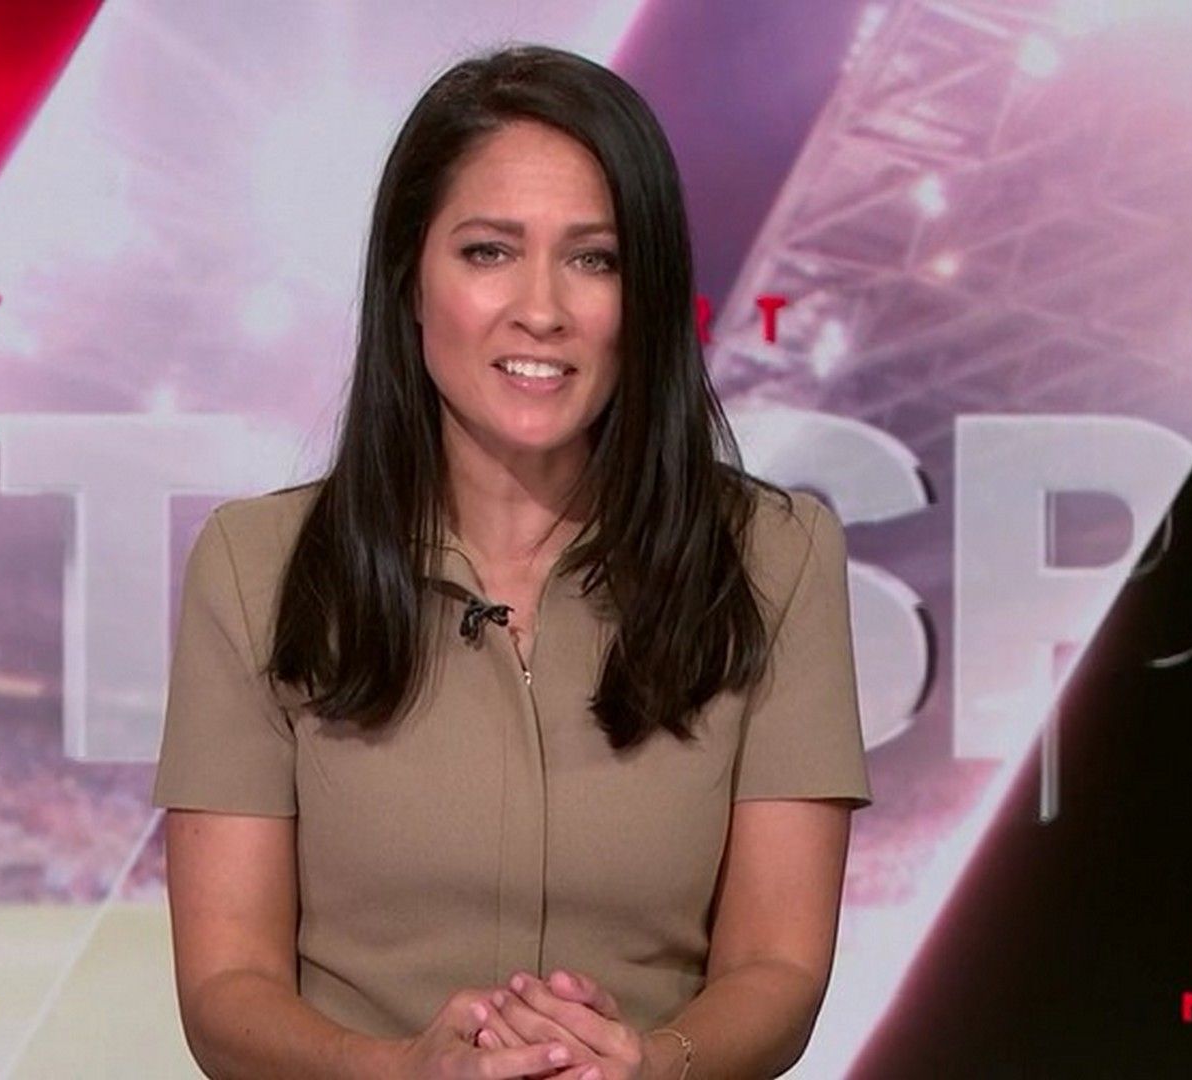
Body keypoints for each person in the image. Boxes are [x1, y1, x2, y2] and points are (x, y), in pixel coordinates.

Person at [153, 43, 871, 1079]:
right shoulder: (255, 567)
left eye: (595, 259)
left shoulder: (776, 559)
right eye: (489, 251)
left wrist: (653, 1064)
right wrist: (401, 1073)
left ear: (647, 296)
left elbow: (780, 964)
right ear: (411, 281)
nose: (542, 308)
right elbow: (226, 990)